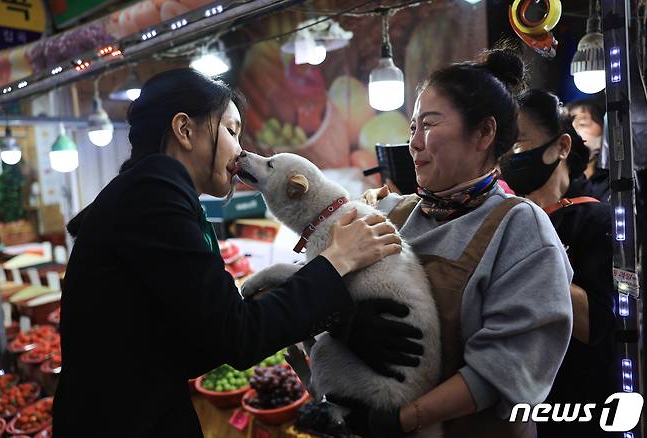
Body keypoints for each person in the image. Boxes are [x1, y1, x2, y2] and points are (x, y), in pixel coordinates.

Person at [52, 69, 419, 437]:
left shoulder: (147, 193)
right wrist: (339, 259)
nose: (240, 150)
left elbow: (202, 339)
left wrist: (338, 318)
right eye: (230, 130)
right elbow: (236, 335)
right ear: (184, 130)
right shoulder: (154, 194)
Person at [328, 49, 573, 438]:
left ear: (483, 133)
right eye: (411, 128)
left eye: (429, 124)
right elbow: (324, 279)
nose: (414, 144)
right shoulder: (393, 213)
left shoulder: (521, 228)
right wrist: (341, 322)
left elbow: (507, 367)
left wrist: (399, 420)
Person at [500, 89, 616, 437]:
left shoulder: (595, 218)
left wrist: (530, 259)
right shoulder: (502, 218)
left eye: (519, 144)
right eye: (502, 150)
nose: (510, 159)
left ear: (562, 147)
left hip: (579, 405)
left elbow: (593, 324)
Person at [567, 99, 610, 202]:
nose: (575, 130)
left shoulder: (615, 178)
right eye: (570, 125)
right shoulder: (561, 176)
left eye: (583, 124)